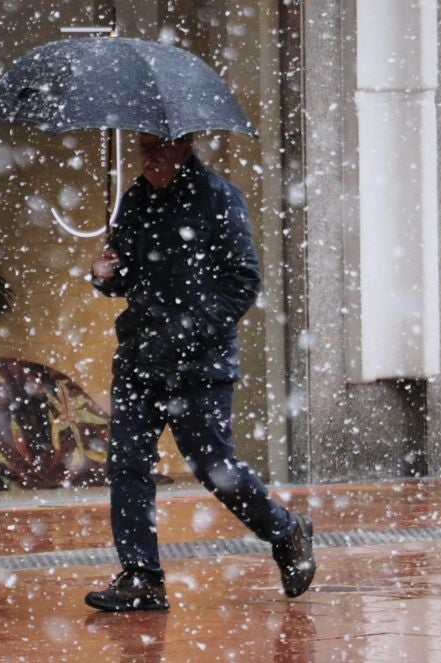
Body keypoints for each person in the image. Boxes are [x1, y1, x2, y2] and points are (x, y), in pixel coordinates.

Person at [84, 133, 315, 611]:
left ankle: (286, 530)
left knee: (213, 467)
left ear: (184, 144)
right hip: (139, 358)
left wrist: (189, 330)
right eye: (143, 146)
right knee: (127, 464)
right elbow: (127, 274)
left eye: (157, 146)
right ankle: (142, 576)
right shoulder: (135, 199)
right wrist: (105, 275)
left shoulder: (218, 198)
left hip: (199, 364)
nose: (148, 155)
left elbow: (243, 280)